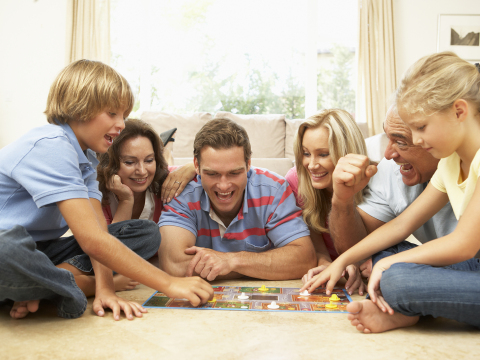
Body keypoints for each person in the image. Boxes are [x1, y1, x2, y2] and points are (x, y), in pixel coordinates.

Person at [0, 59, 213, 320]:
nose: (122, 124)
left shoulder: (87, 159)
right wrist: (169, 284)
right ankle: (71, 285)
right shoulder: (51, 145)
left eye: (123, 115)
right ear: (80, 108)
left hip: (39, 250)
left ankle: (40, 284)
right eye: (112, 114)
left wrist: (107, 289)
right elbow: (91, 241)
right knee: (6, 249)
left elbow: (100, 231)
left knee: (144, 232)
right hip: (10, 248)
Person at [302, 52, 480, 333]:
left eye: (420, 128)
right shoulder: (451, 161)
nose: (419, 139)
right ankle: (406, 309)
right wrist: (342, 261)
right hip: (473, 268)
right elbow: (403, 224)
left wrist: (388, 264)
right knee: (378, 254)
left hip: (470, 261)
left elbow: (463, 245)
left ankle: (407, 306)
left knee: (397, 278)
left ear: (459, 112)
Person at [158, 118, 317, 280]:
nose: (224, 186)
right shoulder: (180, 191)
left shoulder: (273, 190)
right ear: (196, 166)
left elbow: (305, 259)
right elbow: (174, 264)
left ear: (248, 165)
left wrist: (231, 261)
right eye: (212, 174)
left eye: (234, 173)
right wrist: (261, 266)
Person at [326, 106, 458, 278]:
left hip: (470, 265)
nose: (387, 155)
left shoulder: (466, 165)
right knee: (382, 255)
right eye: (388, 138)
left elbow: (463, 246)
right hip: (451, 261)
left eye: (401, 142)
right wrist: (341, 199)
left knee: (394, 277)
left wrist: (393, 262)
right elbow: (399, 226)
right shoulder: (443, 169)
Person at [285, 109, 367, 295]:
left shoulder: (375, 181)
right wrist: (324, 263)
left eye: (323, 154)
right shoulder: (296, 180)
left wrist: (353, 262)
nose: (312, 165)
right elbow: (311, 236)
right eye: (306, 154)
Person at [97, 119, 196, 225]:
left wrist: (193, 167)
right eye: (130, 162)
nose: (142, 171)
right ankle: (166, 150)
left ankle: (167, 152)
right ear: (110, 164)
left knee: (166, 165)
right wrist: (126, 201)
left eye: (149, 160)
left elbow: (205, 167)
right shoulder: (95, 195)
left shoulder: (165, 176)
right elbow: (112, 240)